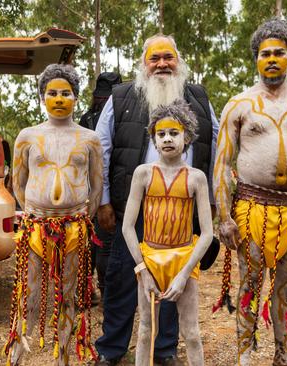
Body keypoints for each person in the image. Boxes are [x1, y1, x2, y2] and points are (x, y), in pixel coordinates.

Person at [94, 34, 220, 366]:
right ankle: (111, 349)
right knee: (122, 279)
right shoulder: (121, 97)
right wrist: (104, 200)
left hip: (183, 208)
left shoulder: (199, 97)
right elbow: (102, 148)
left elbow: (216, 146)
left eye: (168, 57)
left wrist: (213, 200)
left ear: (179, 62)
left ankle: (164, 350)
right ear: (143, 64)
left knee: (173, 286)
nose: (162, 63)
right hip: (130, 210)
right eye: (154, 58)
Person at [212, 18, 287, 366]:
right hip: (251, 208)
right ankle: (246, 350)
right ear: (256, 59)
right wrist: (224, 216)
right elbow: (221, 164)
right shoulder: (239, 105)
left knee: (284, 284)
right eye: (265, 54)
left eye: (280, 52)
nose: (272, 59)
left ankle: (283, 351)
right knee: (250, 280)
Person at [2, 64, 103, 366]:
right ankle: (17, 357)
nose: (59, 99)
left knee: (69, 295)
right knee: (29, 294)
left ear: (76, 97)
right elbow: (18, 183)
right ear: (42, 98)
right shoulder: (27, 137)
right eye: (52, 93)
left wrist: (81, 216)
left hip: (74, 227)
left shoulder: (89, 139)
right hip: (36, 227)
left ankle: (64, 359)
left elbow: (97, 185)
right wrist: (38, 211)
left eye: (65, 93)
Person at [123, 101, 212, 366]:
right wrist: (142, 270)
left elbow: (207, 233)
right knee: (147, 332)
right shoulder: (143, 174)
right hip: (150, 258)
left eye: (174, 133)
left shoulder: (196, 178)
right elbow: (128, 226)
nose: (167, 139)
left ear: (187, 136)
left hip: (184, 258)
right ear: (153, 139)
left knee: (192, 333)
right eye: (160, 134)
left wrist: (184, 274)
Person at [79, 71, 122, 300]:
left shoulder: (88, 117)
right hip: (100, 188)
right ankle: (100, 292)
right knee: (99, 243)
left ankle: (98, 292)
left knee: (97, 243)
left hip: (104, 188)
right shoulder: (88, 119)